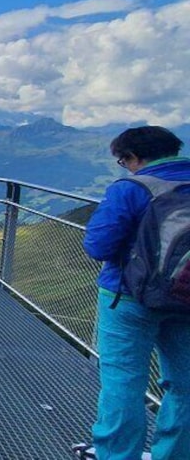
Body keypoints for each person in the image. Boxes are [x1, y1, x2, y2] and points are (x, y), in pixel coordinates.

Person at [82, 126, 190, 460]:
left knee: (123, 382)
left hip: (128, 297)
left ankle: (116, 456)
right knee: (186, 386)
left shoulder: (131, 188)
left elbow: (98, 245)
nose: (125, 167)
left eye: (122, 161)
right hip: (187, 300)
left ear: (133, 157)